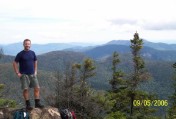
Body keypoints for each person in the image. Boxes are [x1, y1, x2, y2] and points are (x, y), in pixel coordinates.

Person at [13, 39, 44, 110]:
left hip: (32, 74)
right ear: (23, 44)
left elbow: (35, 61)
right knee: (26, 89)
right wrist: (17, 72)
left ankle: (37, 103)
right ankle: (28, 105)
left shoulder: (32, 53)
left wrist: (36, 71)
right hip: (24, 75)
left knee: (37, 88)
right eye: (26, 44)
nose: (27, 45)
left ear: (30, 45)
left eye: (28, 44)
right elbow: (14, 63)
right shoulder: (20, 54)